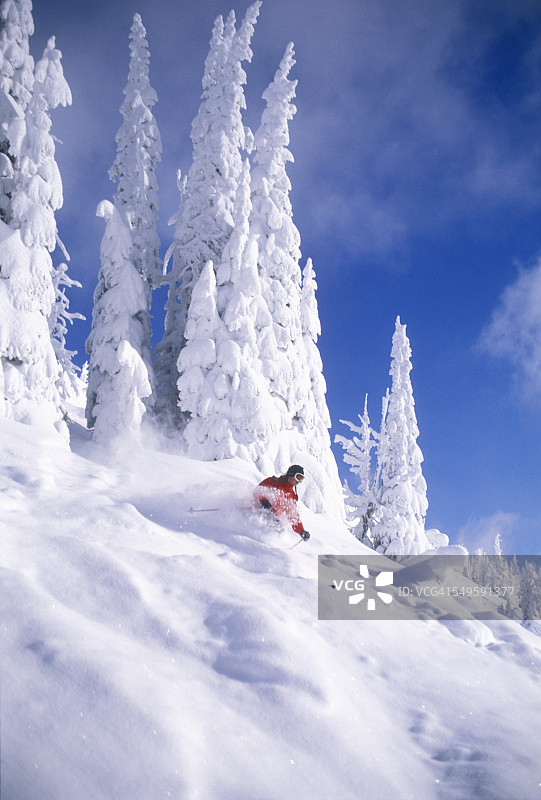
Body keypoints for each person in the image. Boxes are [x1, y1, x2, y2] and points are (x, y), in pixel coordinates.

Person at [253, 465, 310, 540]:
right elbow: (257, 491)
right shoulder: (273, 482)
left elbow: (293, 517)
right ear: (291, 475)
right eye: (298, 477)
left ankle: (268, 543)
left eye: (301, 479)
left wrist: (301, 531)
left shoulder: (291, 496)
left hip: (270, 519)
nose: (298, 481)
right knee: (278, 526)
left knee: (280, 528)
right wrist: (263, 500)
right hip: (256, 511)